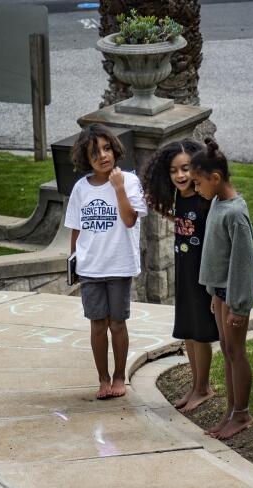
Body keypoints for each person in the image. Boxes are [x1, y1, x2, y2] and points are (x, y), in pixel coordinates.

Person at [64, 124, 147, 399]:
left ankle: (119, 376)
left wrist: (119, 187)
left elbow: (129, 219)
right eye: (95, 153)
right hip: (90, 267)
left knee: (117, 324)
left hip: (119, 265)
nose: (103, 156)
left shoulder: (130, 181)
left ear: (114, 148)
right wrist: (72, 263)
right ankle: (102, 379)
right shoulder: (80, 188)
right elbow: (76, 227)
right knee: (97, 324)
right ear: (86, 159)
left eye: (106, 148)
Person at [142, 139, 219, 413]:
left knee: (200, 334)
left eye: (185, 168)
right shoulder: (177, 197)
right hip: (184, 271)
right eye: (174, 171)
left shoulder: (205, 198)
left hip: (203, 276)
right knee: (188, 329)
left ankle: (203, 388)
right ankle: (196, 385)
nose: (180, 176)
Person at [191, 139, 253, 439]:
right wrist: (213, 294)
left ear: (215, 178)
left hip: (233, 297)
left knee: (236, 352)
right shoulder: (218, 203)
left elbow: (244, 265)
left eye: (198, 182)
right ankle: (230, 411)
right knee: (227, 351)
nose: (196, 188)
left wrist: (239, 307)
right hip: (219, 295)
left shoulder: (235, 214)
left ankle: (241, 413)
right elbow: (216, 254)